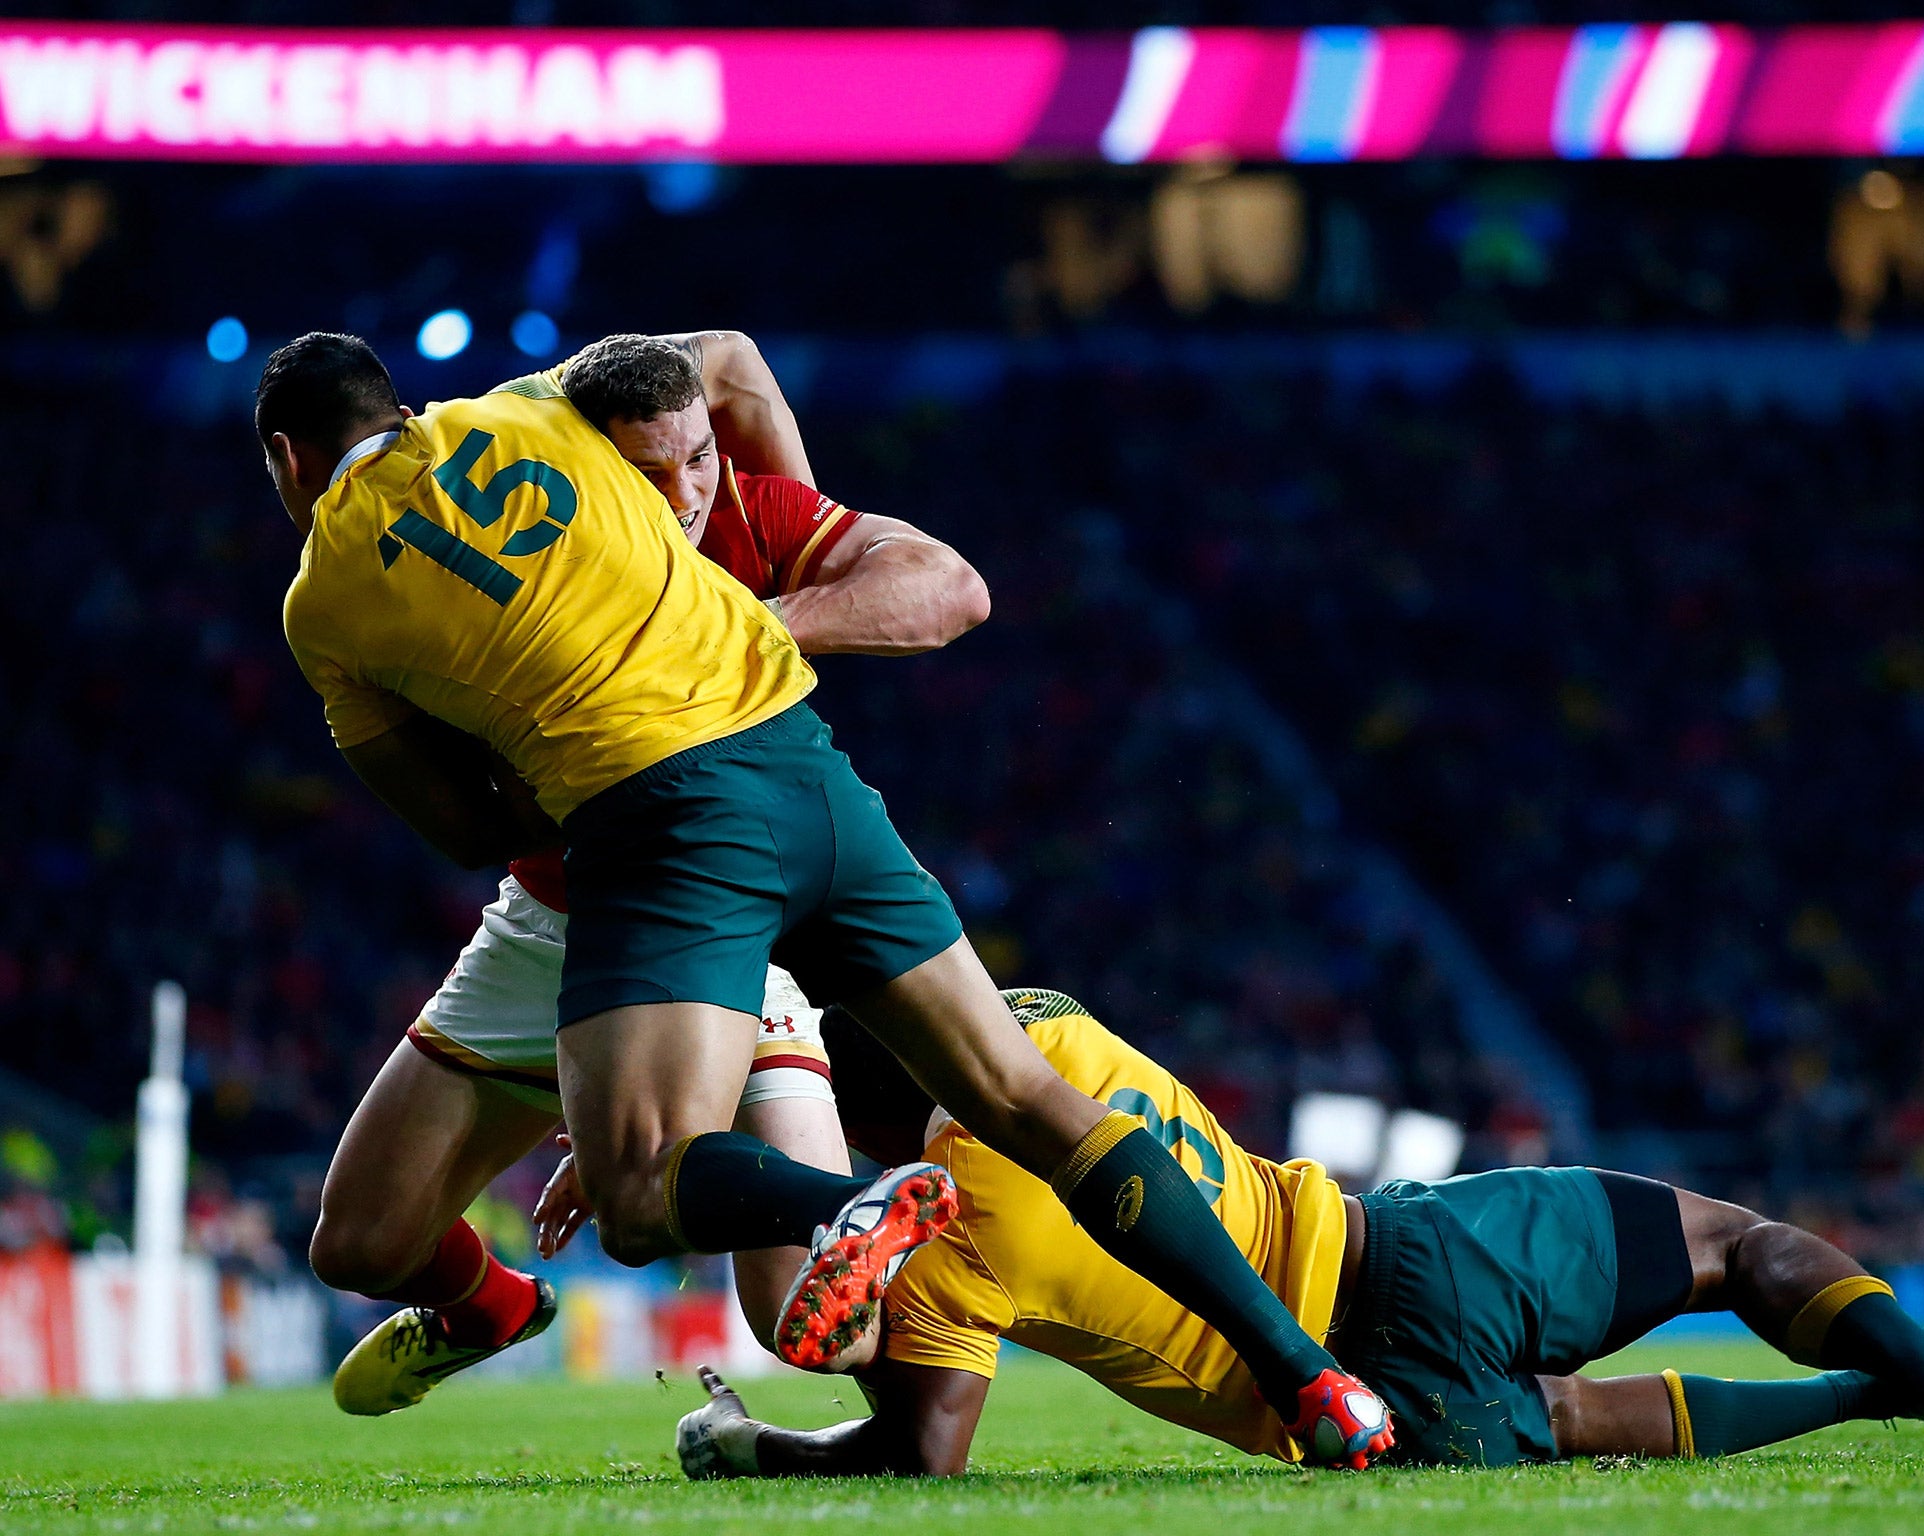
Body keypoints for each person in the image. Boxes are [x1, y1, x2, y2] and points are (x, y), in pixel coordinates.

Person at [261, 331, 1392, 1464]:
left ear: (288, 461)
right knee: (1022, 1096)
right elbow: (723, 355)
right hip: (795, 775)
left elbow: (458, 826)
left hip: (655, 831)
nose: (685, 492)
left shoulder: (324, 605)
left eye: (698, 463)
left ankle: (846, 1202)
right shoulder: (527, 406)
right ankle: (1314, 1383)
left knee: (640, 1199)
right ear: (401, 407)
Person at [313, 331, 989, 1415]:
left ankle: (970, 1306)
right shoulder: (498, 505)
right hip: (556, 911)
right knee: (359, 1241)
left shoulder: (744, 519)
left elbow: (727, 358)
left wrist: (756, 621)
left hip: (718, 908)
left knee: (809, 1330)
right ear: (591, 461)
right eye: (646, 471)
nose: (678, 491)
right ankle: (486, 1308)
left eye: (697, 461)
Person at [648, 988, 1924, 1475]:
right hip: (1410, 1244)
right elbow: (1009, 1005)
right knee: (1742, 1245)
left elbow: (922, 1453)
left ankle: (1867, 1395)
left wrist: (763, 1442)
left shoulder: (951, 1255)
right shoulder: (1063, 1041)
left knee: (1568, 1420)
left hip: (1357, 1399)